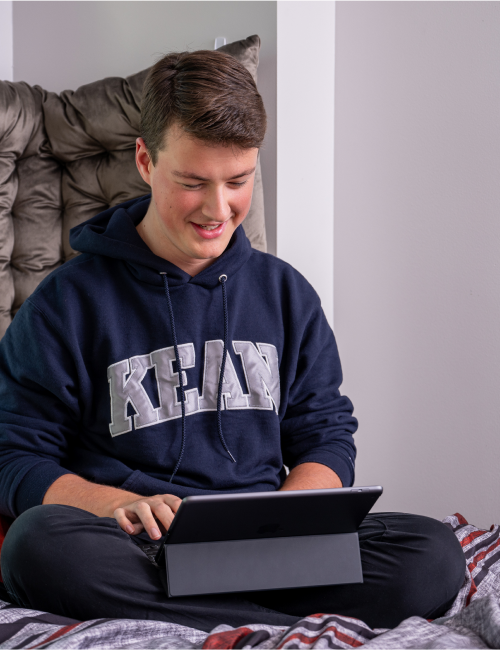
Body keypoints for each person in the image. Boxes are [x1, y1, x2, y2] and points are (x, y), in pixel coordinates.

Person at [0, 50, 465, 633]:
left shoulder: (287, 294)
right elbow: (13, 455)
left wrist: (295, 514)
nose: (218, 210)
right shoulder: (67, 302)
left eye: (239, 181)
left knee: (432, 552)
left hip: (272, 550)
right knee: (36, 546)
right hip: (140, 548)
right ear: (145, 160)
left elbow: (325, 433)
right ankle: (269, 627)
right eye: (193, 182)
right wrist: (108, 503)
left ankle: (213, 621)